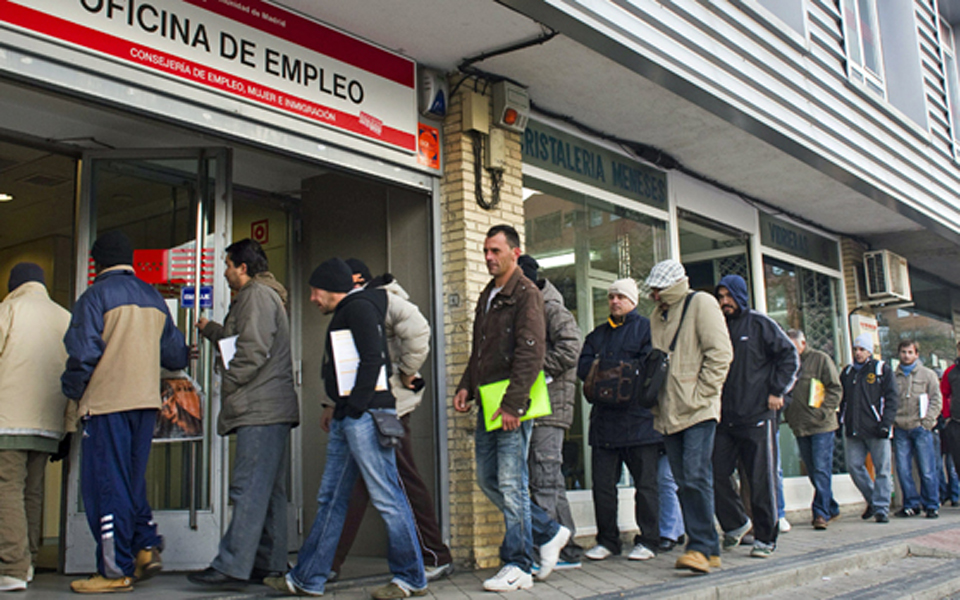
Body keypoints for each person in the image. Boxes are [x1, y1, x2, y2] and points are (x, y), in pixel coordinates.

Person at [265, 258, 426, 600]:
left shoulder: (360, 309)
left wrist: (353, 407)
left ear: (330, 289)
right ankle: (308, 578)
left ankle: (411, 578)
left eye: (314, 291)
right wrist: (342, 409)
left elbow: (373, 360)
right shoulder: (352, 310)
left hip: (363, 416)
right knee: (331, 499)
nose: (312, 299)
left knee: (387, 496)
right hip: (350, 416)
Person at [62, 231, 189, 593]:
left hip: (106, 403)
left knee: (105, 485)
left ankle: (114, 569)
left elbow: (83, 356)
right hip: (145, 403)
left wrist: (72, 390)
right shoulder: (153, 296)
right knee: (131, 480)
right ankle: (145, 545)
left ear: (96, 263)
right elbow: (176, 355)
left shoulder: (94, 296)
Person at [453, 225, 570, 592]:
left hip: (510, 406)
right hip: (488, 400)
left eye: (495, 251)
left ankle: (519, 562)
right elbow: (481, 351)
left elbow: (531, 352)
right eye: (486, 251)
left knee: (512, 480)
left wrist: (514, 406)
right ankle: (549, 531)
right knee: (489, 479)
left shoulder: (526, 294)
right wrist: (465, 385)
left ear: (515, 253)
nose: (488, 257)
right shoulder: (488, 294)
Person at [330, 259, 453, 582]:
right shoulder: (364, 304)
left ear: (357, 279)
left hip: (390, 409)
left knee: (399, 481)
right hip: (371, 408)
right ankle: (326, 561)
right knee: (356, 486)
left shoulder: (385, 299)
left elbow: (419, 331)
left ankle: (433, 554)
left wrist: (406, 373)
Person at [188, 239, 299, 588]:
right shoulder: (264, 296)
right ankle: (269, 563)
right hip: (270, 407)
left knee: (248, 487)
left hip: (260, 408)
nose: (224, 272)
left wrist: (230, 383)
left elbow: (252, 350)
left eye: (228, 265)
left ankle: (231, 566)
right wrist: (208, 329)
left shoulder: (255, 295)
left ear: (243, 268)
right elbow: (240, 340)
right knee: (268, 491)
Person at [645, 259, 733, 574]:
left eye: (657, 289)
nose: (653, 295)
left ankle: (701, 547)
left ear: (671, 286)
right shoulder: (657, 315)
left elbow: (720, 353)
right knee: (684, 481)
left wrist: (702, 395)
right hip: (668, 411)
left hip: (698, 410)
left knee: (695, 476)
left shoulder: (702, 304)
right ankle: (707, 548)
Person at [713, 275, 799, 559]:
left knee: (760, 479)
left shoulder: (761, 324)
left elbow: (790, 357)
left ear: (740, 295)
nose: (724, 301)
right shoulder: (717, 327)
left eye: (729, 296)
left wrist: (777, 391)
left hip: (758, 416)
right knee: (714, 472)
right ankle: (737, 522)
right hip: (724, 419)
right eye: (721, 296)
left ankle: (766, 537)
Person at [578, 277, 662, 562]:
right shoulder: (596, 335)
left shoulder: (647, 330)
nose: (615, 301)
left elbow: (648, 368)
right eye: (611, 296)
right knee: (602, 486)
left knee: (646, 486)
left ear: (633, 301)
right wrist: (618, 373)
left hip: (640, 422)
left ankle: (649, 540)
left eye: (621, 297)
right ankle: (607, 541)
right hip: (603, 423)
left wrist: (605, 372)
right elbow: (583, 368)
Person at [0, 263, 72, 592]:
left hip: (8, 419)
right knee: (32, 491)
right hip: (48, 422)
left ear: (14, 284)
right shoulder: (64, 317)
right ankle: (28, 558)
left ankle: (12, 567)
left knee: (7, 489)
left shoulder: (8, 309)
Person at [517, 255, 584, 568]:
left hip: (551, 407)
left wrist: (537, 367)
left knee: (543, 476)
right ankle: (568, 548)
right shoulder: (531, 305)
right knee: (549, 478)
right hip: (536, 406)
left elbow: (572, 345)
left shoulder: (550, 306)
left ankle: (541, 549)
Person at [783, 329, 842, 529]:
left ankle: (820, 513)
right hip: (800, 426)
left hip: (822, 425)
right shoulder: (788, 363)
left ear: (803, 343)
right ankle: (831, 506)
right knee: (812, 471)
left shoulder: (820, 359)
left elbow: (835, 388)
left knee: (820, 467)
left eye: (793, 346)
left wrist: (823, 412)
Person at [839, 333, 898, 524]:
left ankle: (881, 508)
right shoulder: (848, 373)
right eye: (856, 349)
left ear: (869, 351)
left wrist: (886, 423)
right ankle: (873, 498)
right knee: (854, 466)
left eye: (862, 349)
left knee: (882, 468)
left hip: (876, 427)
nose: (858, 353)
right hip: (854, 429)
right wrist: (841, 420)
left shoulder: (881, 370)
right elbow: (843, 399)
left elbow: (891, 398)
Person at [892, 340, 942, 519]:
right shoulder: (893, 376)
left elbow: (936, 399)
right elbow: (889, 400)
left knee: (927, 468)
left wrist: (928, 421)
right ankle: (911, 504)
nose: (906, 355)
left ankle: (931, 504)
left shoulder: (927, 375)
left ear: (916, 354)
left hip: (920, 427)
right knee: (903, 469)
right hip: (900, 427)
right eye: (903, 352)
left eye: (910, 352)